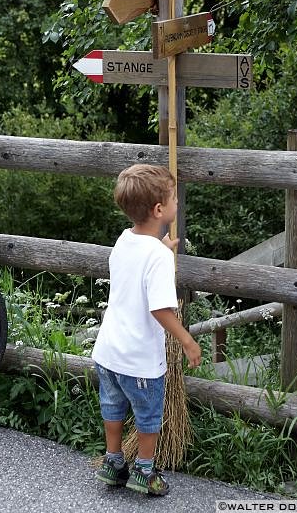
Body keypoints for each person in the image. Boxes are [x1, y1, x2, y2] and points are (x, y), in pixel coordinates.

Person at [92, 163, 202, 496]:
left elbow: (137, 267)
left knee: (112, 407)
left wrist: (162, 250)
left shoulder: (124, 240)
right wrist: (187, 340)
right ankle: (143, 471)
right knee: (148, 416)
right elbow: (160, 309)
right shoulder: (156, 257)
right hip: (139, 361)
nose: (177, 203)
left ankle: (113, 463)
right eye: (173, 198)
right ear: (159, 210)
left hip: (108, 353)